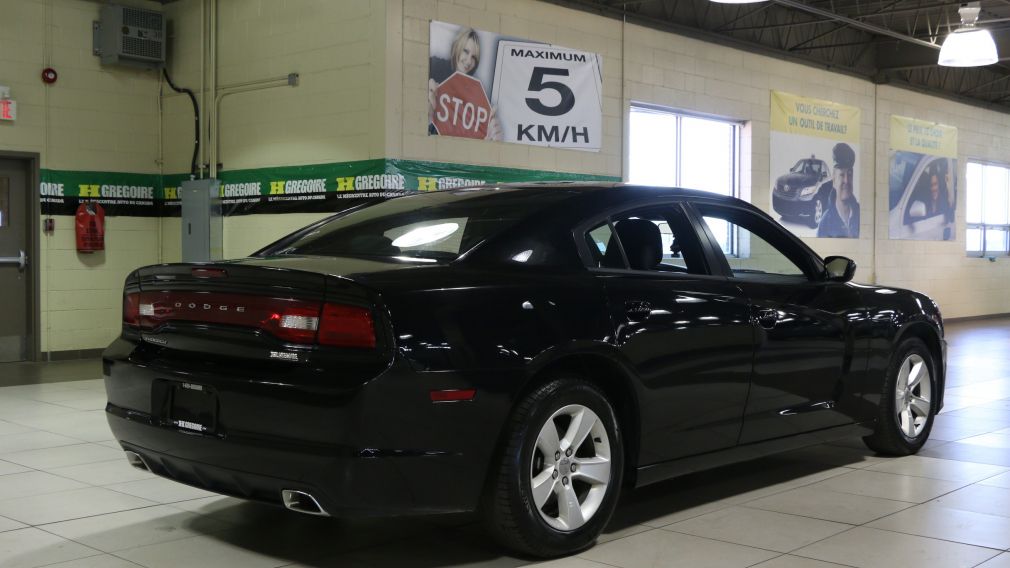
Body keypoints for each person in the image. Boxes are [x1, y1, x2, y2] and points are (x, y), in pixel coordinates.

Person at [427, 27, 502, 140]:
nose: (468, 61)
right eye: (465, 51)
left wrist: (489, 136)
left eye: (474, 57)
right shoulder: (435, 66)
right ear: (457, 46)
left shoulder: (474, 91)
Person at [817, 142, 859, 238]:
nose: (846, 180)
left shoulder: (861, 215)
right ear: (834, 180)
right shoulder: (825, 224)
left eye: (849, 174)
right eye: (841, 175)